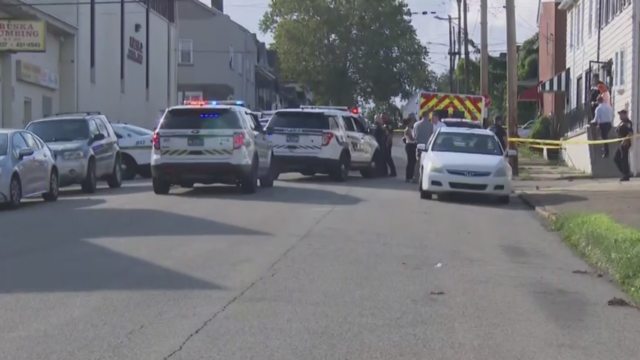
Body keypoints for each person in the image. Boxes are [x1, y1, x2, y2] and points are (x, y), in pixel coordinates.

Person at [614, 109, 633, 181]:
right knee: (616, 158)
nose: (620, 116)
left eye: (621, 115)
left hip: (625, 143)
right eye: (619, 115)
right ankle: (625, 173)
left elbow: (630, 133)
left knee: (624, 158)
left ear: (625, 115)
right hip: (619, 143)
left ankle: (626, 175)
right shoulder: (621, 123)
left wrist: (625, 140)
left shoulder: (628, 123)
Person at [403, 115, 417, 182]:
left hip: (412, 145)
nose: (412, 123)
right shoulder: (407, 130)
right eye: (411, 122)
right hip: (410, 145)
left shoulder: (411, 129)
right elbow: (411, 138)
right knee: (410, 162)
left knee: (413, 162)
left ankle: (411, 176)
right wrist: (416, 140)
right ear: (409, 122)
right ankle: (408, 177)